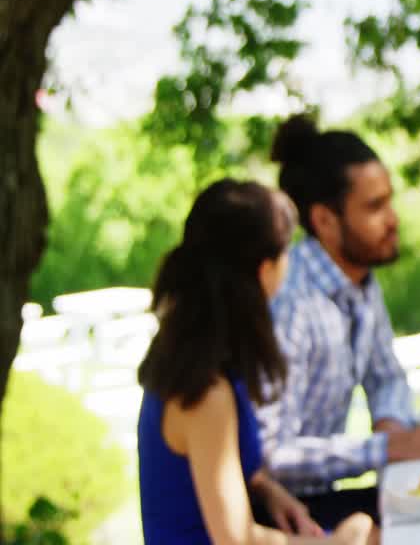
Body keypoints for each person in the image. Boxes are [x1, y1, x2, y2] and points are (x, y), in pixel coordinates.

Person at [137, 179, 372, 545]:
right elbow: (235, 539)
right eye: (286, 253)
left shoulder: (192, 351)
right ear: (264, 270)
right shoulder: (205, 391)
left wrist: (266, 489)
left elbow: (210, 462)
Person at [258, 115, 420, 530]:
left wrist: (393, 428)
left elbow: (386, 377)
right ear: (325, 221)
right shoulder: (291, 304)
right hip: (279, 513)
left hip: (325, 497)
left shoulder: (360, 282)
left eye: (389, 201)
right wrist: (391, 447)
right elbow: (270, 456)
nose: (393, 219)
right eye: (375, 206)